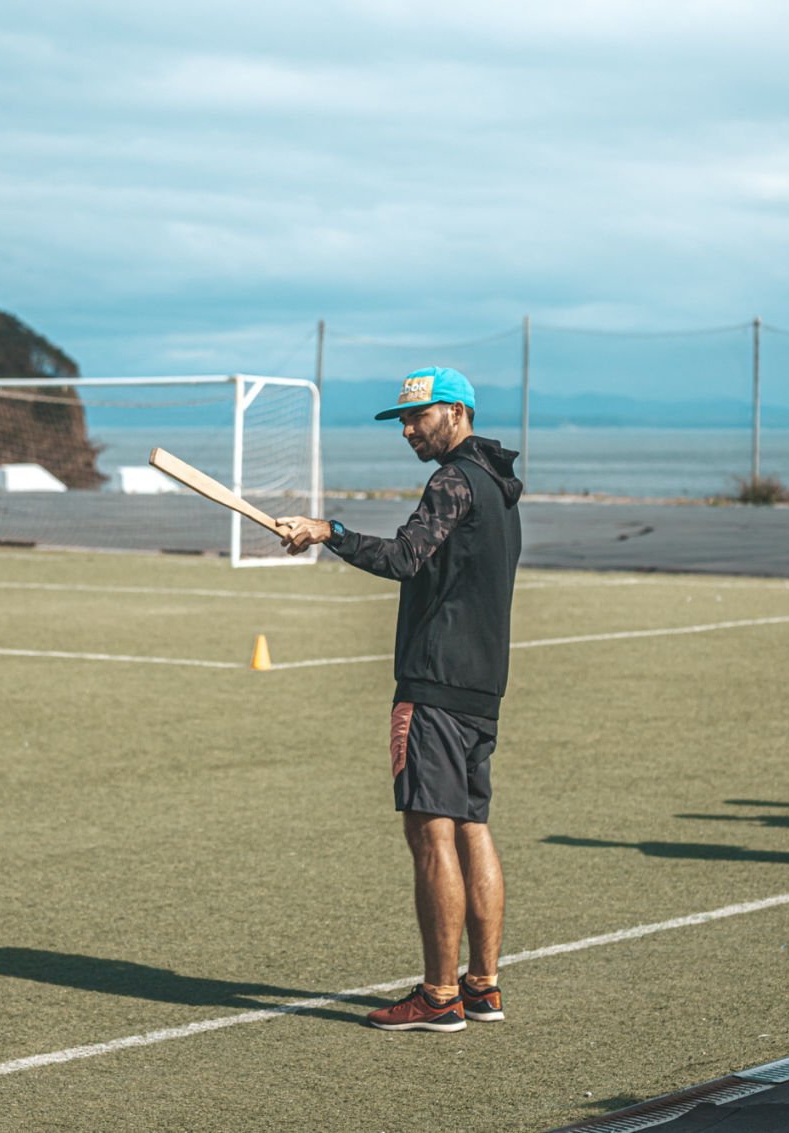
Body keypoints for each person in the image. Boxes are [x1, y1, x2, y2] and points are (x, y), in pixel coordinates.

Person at [278, 366, 522, 1033]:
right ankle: (482, 986)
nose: (409, 430)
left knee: (431, 832)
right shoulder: (498, 485)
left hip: (435, 683)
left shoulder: (452, 480)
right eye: (404, 420)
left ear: (458, 412)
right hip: (482, 685)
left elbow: (405, 557)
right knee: (471, 827)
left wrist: (329, 531)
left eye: (420, 416)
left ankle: (440, 996)